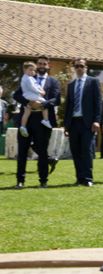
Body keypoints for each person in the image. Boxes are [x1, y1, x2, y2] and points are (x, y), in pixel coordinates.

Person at [14, 55, 62, 188]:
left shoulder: (53, 82)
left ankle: (43, 180)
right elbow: (16, 95)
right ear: (36, 65)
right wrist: (29, 102)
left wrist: (43, 105)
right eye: (39, 64)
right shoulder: (28, 78)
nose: (41, 66)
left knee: (42, 151)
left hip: (43, 120)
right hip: (27, 119)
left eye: (44, 64)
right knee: (22, 151)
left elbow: (56, 99)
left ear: (48, 66)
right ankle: (20, 180)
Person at [63, 58, 102, 187]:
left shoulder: (93, 82)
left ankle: (87, 178)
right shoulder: (71, 85)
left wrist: (96, 121)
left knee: (86, 150)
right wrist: (66, 125)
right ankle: (79, 178)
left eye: (81, 66)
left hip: (87, 123)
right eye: (77, 66)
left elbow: (98, 103)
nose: (79, 68)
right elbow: (68, 106)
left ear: (86, 68)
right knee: (75, 151)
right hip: (73, 122)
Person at [18, 61, 53, 137]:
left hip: (27, 95)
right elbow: (33, 87)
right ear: (24, 70)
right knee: (44, 103)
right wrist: (41, 92)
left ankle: (23, 126)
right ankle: (45, 119)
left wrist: (40, 89)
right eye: (30, 70)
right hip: (30, 95)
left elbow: (36, 85)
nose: (32, 71)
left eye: (33, 70)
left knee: (27, 112)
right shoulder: (29, 78)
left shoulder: (25, 77)